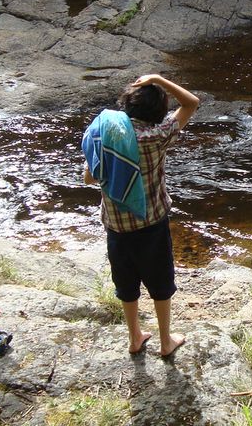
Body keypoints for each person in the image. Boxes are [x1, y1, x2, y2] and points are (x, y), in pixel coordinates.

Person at [84, 74, 199, 356]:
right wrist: (160, 79)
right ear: (158, 113)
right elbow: (192, 103)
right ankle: (165, 341)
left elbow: (89, 177)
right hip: (152, 224)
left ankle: (135, 337)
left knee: (125, 283)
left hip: (116, 225)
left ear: (128, 106)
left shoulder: (106, 134)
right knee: (160, 282)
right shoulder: (157, 136)